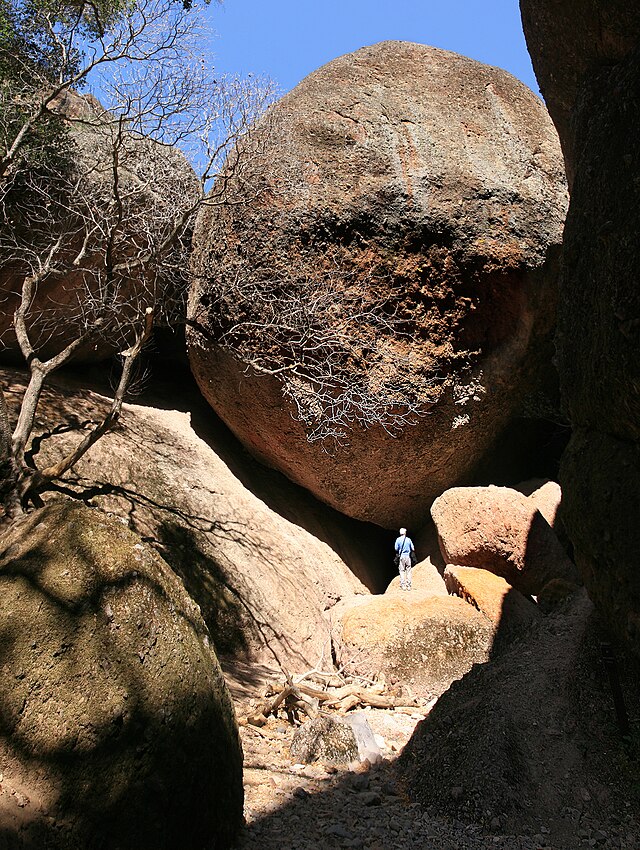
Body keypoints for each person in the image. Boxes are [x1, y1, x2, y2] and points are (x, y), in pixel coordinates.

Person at [394, 527, 415, 591]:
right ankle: (409, 586)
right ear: (405, 533)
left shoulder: (398, 540)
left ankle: (403, 586)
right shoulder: (408, 539)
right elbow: (413, 548)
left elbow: (396, 548)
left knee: (402, 571)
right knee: (408, 570)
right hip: (408, 557)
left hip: (402, 557)